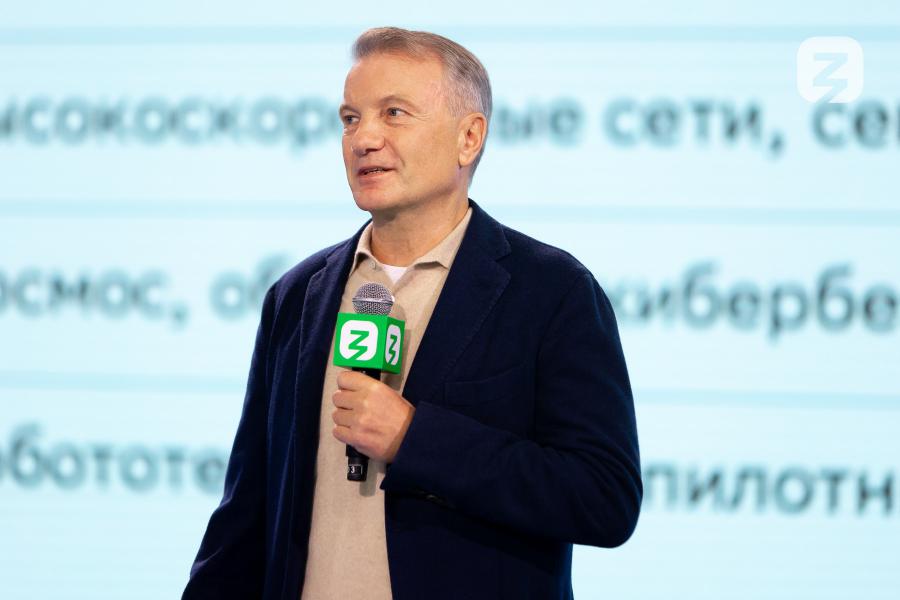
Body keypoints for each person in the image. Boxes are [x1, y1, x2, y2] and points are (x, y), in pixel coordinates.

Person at [182, 27, 641, 600]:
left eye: (393, 113)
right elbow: (246, 515)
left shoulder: (551, 291)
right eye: (350, 119)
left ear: (468, 138)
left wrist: (414, 438)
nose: (364, 139)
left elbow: (604, 497)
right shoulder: (298, 294)